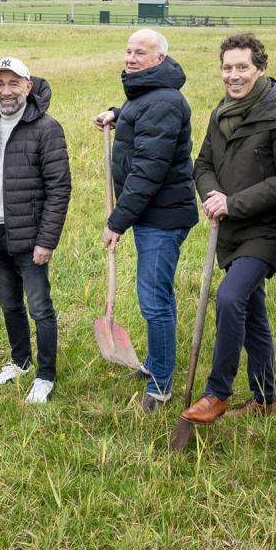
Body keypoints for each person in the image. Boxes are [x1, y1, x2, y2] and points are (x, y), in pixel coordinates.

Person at [180, 34, 276, 425]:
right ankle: (266, 396)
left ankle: (217, 392)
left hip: (265, 230)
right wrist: (211, 194)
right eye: (227, 68)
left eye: (242, 68)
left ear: (261, 69)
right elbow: (201, 164)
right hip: (230, 231)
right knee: (253, 311)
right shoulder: (221, 113)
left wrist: (233, 203)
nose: (233, 76)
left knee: (231, 296)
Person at [93, 29, 198, 413]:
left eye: (141, 52)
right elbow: (142, 114)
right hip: (154, 215)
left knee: (154, 303)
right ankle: (157, 366)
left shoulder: (165, 101)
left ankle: (160, 385)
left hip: (162, 218)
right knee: (159, 298)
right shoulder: (148, 92)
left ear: (160, 59)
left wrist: (117, 221)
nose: (131, 58)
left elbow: (147, 172)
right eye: (128, 51)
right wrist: (117, 114)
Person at [0, 57, 71, 403]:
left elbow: (59, 188)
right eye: (0, 84)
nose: (6, 91)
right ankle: (20, 362)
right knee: (10, 304)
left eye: (14, 84)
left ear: (28, 86)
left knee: (39, 307)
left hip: (30, 239)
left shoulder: (46, 128)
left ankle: (45, 375)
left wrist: (46, 240)